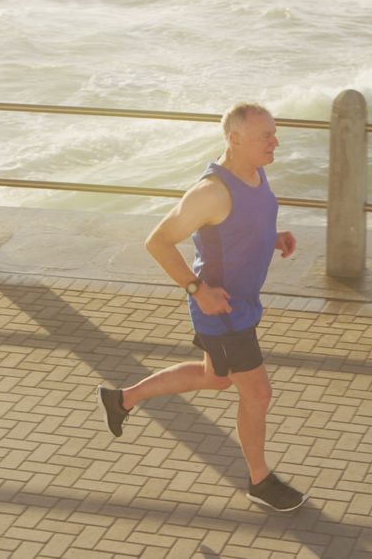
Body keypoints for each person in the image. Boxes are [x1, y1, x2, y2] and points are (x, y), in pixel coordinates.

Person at [98, 102, 308, 512]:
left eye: (274, 132)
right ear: (235, 138)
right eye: (266, 135)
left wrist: (271, 237)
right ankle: (260, 481)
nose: (275, 141)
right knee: (258, 393)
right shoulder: (211, 192)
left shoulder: (255, 173)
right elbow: (157, 241)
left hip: (243, 305)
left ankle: (121, 399)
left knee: (216, 378)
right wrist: (197, 290)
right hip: (223, 312)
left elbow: (241, 226)